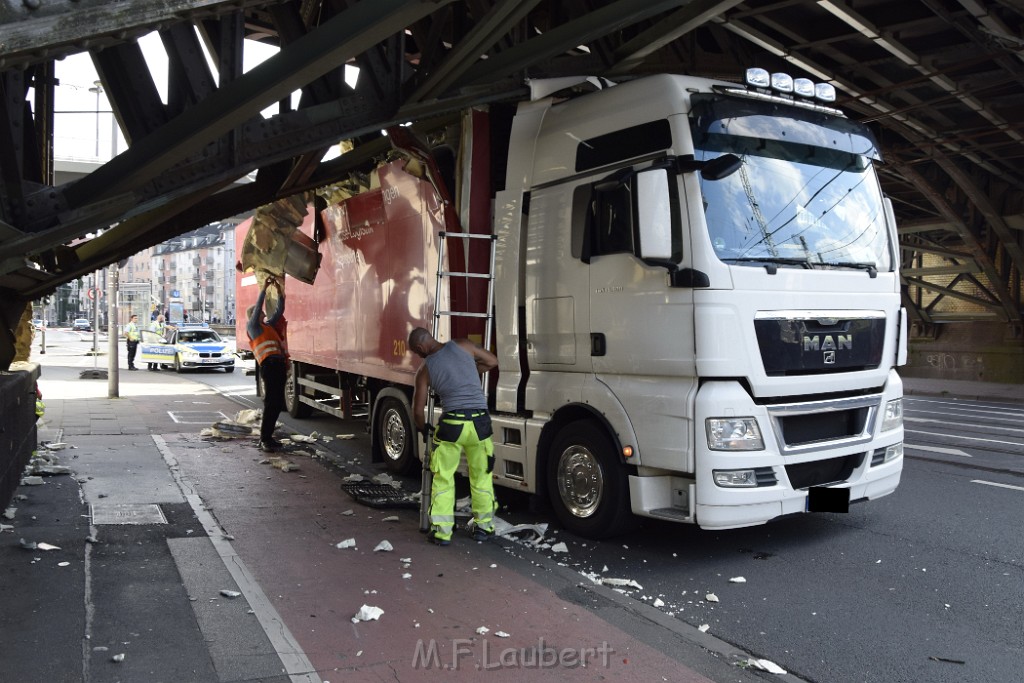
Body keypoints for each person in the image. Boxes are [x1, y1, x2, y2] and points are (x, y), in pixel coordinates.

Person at [408, 326, 498, 546]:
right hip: (480, 423)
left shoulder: (425, 369)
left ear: (421, 347)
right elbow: (492, 361)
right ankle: (484, 527)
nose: (418, 356)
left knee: (443, 478)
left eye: (416, 352)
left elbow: (417, 411)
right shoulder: (463, 345)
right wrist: (468, 371)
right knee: (481, 476)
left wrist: (423, 429)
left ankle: (442, 532)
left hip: (453, 425)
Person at [247, 277, 288, 453]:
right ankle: (265, 439)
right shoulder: (253, 327)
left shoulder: (269, 326)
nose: (264, 313)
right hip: (269, 366)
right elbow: (257, 309)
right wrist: (264, 289)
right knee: (272, 403)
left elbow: (279, 312)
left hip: (278, 366)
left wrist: (279, 292)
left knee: (278, 403)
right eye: (261, 312)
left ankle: (268, 437)